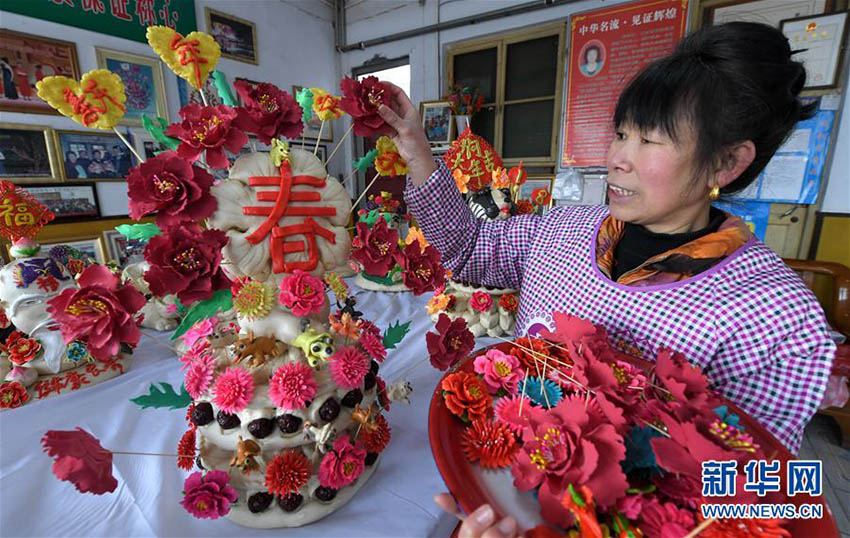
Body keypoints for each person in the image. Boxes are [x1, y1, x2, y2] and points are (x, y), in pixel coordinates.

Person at [377, 21, 836, 536]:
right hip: (513, 484)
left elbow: (766, 501)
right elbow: (467, 246)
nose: (616, 158)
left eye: (649, 140)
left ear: (728, 162)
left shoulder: (776, 315)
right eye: (621, 133)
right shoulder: (564, 229)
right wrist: (416, 147)